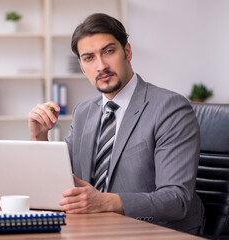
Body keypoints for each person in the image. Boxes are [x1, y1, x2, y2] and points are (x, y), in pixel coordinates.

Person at [28, 13, 204, 234]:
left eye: (108, 51)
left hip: (155, 231)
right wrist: (39, 137)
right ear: (82, 67)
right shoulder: (84, 112)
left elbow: (176, 200)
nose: (101, 66)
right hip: (94, 229)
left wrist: (104, 202)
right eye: (89, 58)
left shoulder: (170, 108)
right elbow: (57, 181)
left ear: (127, 52)